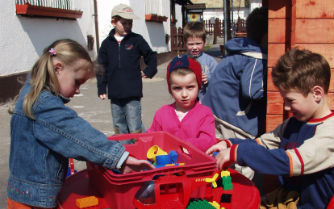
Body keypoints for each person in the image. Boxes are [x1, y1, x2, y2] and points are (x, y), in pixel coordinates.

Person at [7, 39, 154, 209]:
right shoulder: (44, 104)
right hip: (34, 201)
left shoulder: (31, 92)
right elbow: (78, 135)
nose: (77, 90)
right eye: (77, 82)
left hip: (23, 193)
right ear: (58, 69)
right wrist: (120, 158)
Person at [206, 48, 334, 209]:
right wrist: (230, 144)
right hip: (286, 198)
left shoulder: (330, 134)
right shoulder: (292, 124)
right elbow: (261, 144)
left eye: (290, 100)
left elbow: (289, 162)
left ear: (316, 93)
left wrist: (239, 153)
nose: (286, 107)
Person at [202, 7, 268, 179]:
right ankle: (241, 192)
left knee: (219, 154)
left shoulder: (238, 50)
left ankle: (218, 188)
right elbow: (252, 91)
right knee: (239, 162)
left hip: (216, 111)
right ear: (266, 37)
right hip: (234, 120)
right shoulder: (255, 57)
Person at [96, 3, 157, 140]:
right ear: (113, 22)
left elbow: (151, 55)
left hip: (132, 92)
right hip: (115, 93)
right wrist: (101, 88)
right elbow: (101, 67)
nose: (128, 26)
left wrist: (149, 70)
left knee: (134, 124)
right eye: (124, 23)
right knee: (119, 125)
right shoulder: (107, 44)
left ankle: (139, 148)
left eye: (130, 23)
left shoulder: (136, 40)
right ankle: (125, 153)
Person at [147, 55, 216, 152]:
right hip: (167, 165)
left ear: (199, 86)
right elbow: (152, 136)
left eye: (190, 87)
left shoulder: (205, 113)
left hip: (194, 165)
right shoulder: (162, 113)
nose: (184, 94)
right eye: (177, 88)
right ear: (170, 89)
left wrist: (183, 145)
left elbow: (208, 140)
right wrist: (143, 140)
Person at [183, 21, 218, 101]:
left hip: (205, 99)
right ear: (185, 43)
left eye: (198, 43)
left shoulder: (210, 61)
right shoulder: (183, 60)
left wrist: (208, 78)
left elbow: (218, 78)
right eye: (191, 44)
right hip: (187, 99)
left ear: (204, 43)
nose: (195, 47)